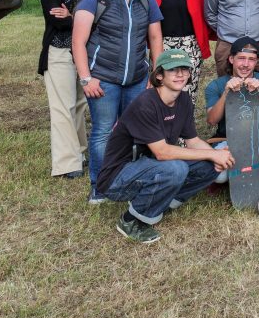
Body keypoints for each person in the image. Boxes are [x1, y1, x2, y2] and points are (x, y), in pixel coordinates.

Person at [98, 49, 233, 244]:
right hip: (118, 177)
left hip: (149, 165)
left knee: (209, 165)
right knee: (175, 168)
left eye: (184, 69)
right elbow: (162, 153)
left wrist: (216, 156)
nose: (180, 74)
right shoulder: (146, 103)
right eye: (173, 70)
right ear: (159, 75)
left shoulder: (183, 99)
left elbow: (193, 140)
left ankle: (163, 203)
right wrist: (212, 154)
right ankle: (131, 220)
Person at [72, 0, 163, 204]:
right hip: (103, 79)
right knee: (103, 132)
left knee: (134, 131)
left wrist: (155, 74)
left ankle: (128, 180)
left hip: (136, 78)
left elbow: (155, 38)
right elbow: (78, 42)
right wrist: (86, 78)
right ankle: (100, 188)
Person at [38, 0, 97, 179]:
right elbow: (57, 22)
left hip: (85, 53)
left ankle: (80, 151)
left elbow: (102, 18)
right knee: (63, 106)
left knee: (82, 104)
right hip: (60, 52)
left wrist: (71, 15)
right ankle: (67, 164)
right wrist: (83, 19)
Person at [202, 36, 259, 183]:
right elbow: (212, 120)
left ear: (256, 61)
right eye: (241, 58)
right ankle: (243, 172)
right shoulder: (216, 85)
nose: (246, 64)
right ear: (231, 59)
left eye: (251, 59)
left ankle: (255, 172)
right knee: (218, 176)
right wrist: (226, 94)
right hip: (227, 137)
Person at [145, 0, 211, 99]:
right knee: (161, 91)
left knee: (187, 92)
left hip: (191, 47)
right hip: (162, 45)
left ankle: (185, 122)